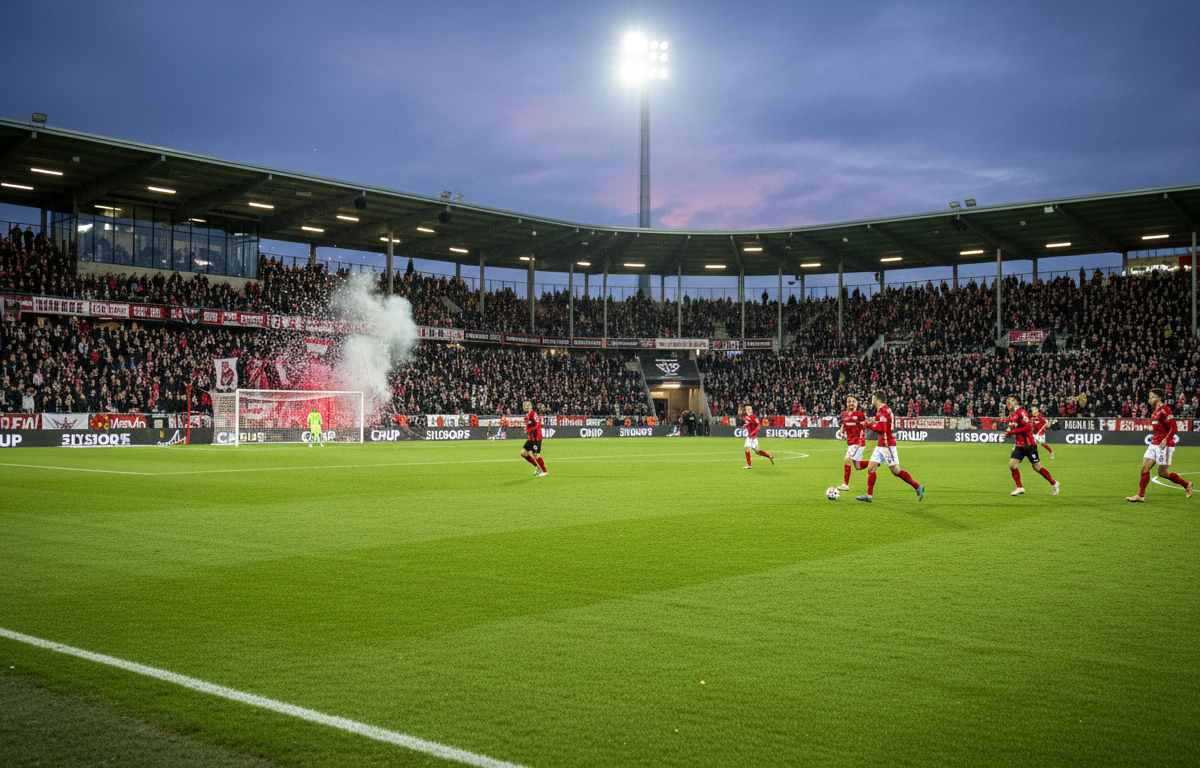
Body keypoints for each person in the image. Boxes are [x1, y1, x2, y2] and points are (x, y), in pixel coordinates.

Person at [856, 390, 924, 502]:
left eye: (873, 398)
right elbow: (879, 423)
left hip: (887, 446)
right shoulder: (884, 410)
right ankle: (869, 495)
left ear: (877, 399)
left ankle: (917, 487)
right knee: (871, 468)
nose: (872, 400)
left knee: (896, 470)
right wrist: (869, 421)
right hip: (881, 445)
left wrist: (867, 425)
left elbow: (881, 429)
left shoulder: (883, 410)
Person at [1127, 388, 1191, 502]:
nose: (1149, 399)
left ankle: (1186, 485)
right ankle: (1140, 496)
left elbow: (1174, 427)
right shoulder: (1155, 412)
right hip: (1154, 444)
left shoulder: (1165, 410)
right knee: (1144, 468)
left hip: (1165, 445)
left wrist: (1166, 440)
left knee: (1163, 473)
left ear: (1159, 398)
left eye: (1152, 397)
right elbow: (1161, 427)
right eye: (1149, 397)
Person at [1004, 396, 1058, 496]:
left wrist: (1012, 431)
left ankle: (1053, 483)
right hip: (1020, 445)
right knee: (1012, 465)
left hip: (1030, 445)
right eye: (1008, 403)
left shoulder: (1022, 412)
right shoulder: (1012, 416)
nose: (1009, 405)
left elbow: (1027, 427)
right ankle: (1019, 487)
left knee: (1037, 467)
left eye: (1011, 402)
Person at [835, 395, 868, 491]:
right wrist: (841, 432)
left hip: (858, 442)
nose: (851, 403)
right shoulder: (843, 414)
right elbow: (844, 425)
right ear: (846, 404)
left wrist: (860, 438)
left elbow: (864, 426)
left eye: (853, 402)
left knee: (847, 460)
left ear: (857, 404)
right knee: (857, 466)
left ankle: (846, 484)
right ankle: (875, 463)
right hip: (851, 442)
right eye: (849, 402)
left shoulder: (860, 414)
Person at [521, 400, 548, 477]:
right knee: (523, 453)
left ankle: (545, 471)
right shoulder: (526, 417)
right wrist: (526, 429)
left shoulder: (533, 414)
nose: (523, 407)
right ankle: (537, 466)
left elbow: (538, 424)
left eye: (524, 405)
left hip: (537, 437)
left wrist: (529, 430)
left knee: (536, 454)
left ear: (528, 406)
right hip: (531, 438)